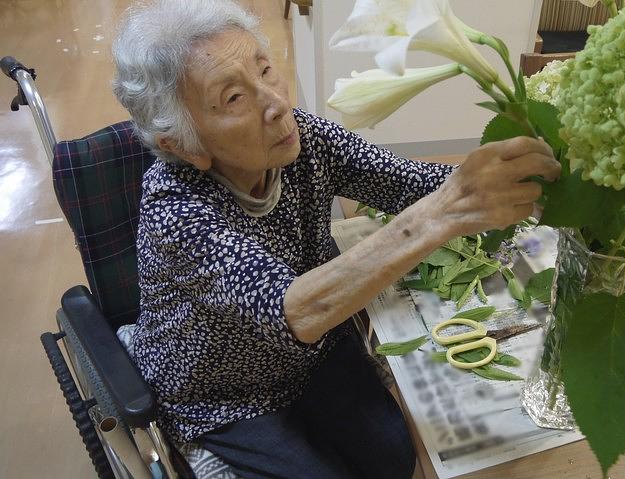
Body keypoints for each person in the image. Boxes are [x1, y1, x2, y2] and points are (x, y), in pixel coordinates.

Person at [111, 0, 561, 477]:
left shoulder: (304, 140)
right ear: (183, 144)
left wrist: (520, 186)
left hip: (314, 355)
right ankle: (203, 452)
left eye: (265, 70)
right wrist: (443, 213)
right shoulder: (177, 212)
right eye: (234, 99)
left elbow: (405, 181)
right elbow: (296, 310)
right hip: (225, 390)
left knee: (392, 460)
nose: (276, 103)